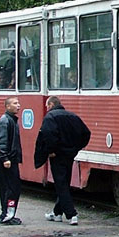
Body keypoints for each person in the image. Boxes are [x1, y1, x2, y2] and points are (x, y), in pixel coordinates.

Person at [34, 96, 91, 226]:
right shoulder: (72, 116)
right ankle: (57, 213)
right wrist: (76, 148)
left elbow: (49, 135)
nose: (47, 108)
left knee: (60, 184)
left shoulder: (50, 117)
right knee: (64, 182)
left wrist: (50, 150)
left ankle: (71, 214)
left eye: (47, 106)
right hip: (69, 155)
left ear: (52, 104)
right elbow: (86, 133)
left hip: (57, 155)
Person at [0, 96, 23, 225]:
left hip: (12, 159)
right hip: (7, 161)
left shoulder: (11, 120)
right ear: (7, 106)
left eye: (18, 103)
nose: (18, 105)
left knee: (14, 188)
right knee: (9, 188)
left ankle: (10, 214)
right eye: (15, 103)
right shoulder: (4, 121)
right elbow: (1, 141)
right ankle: (7, 215)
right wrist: (5, 158)